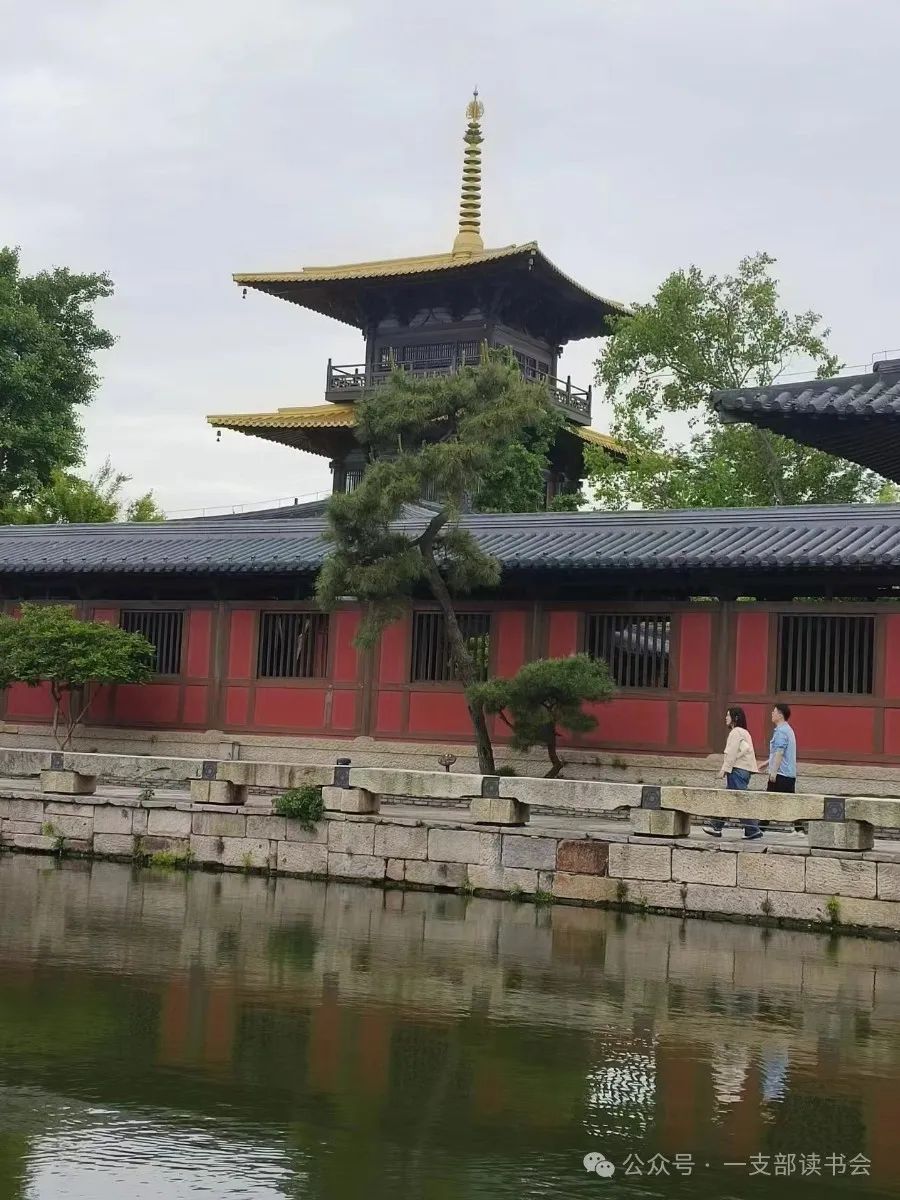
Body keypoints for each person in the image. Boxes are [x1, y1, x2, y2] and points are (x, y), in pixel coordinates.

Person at [704, 707, 762, 840]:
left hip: (737, 770)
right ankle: (716, 826)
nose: (726, 718)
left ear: (735, 718)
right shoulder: (745, 732)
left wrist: (724, 769)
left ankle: (752, 829)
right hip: (744, 771)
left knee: (739, 800)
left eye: (728, 715)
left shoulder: (735, 732)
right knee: (729, 798)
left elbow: (732, 753)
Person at [759, 703, 802, 833]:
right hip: (788, 774)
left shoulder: (781, 731)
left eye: (774, 711)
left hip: (781, 774)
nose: (772, 714)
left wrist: (773, 771)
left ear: (780, 715)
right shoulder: (788, 730)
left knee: (769, 801)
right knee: (788, 802)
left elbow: (780, 752)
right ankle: (799, 829)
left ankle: (759, 828)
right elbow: (779, 753)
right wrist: (767, 763)